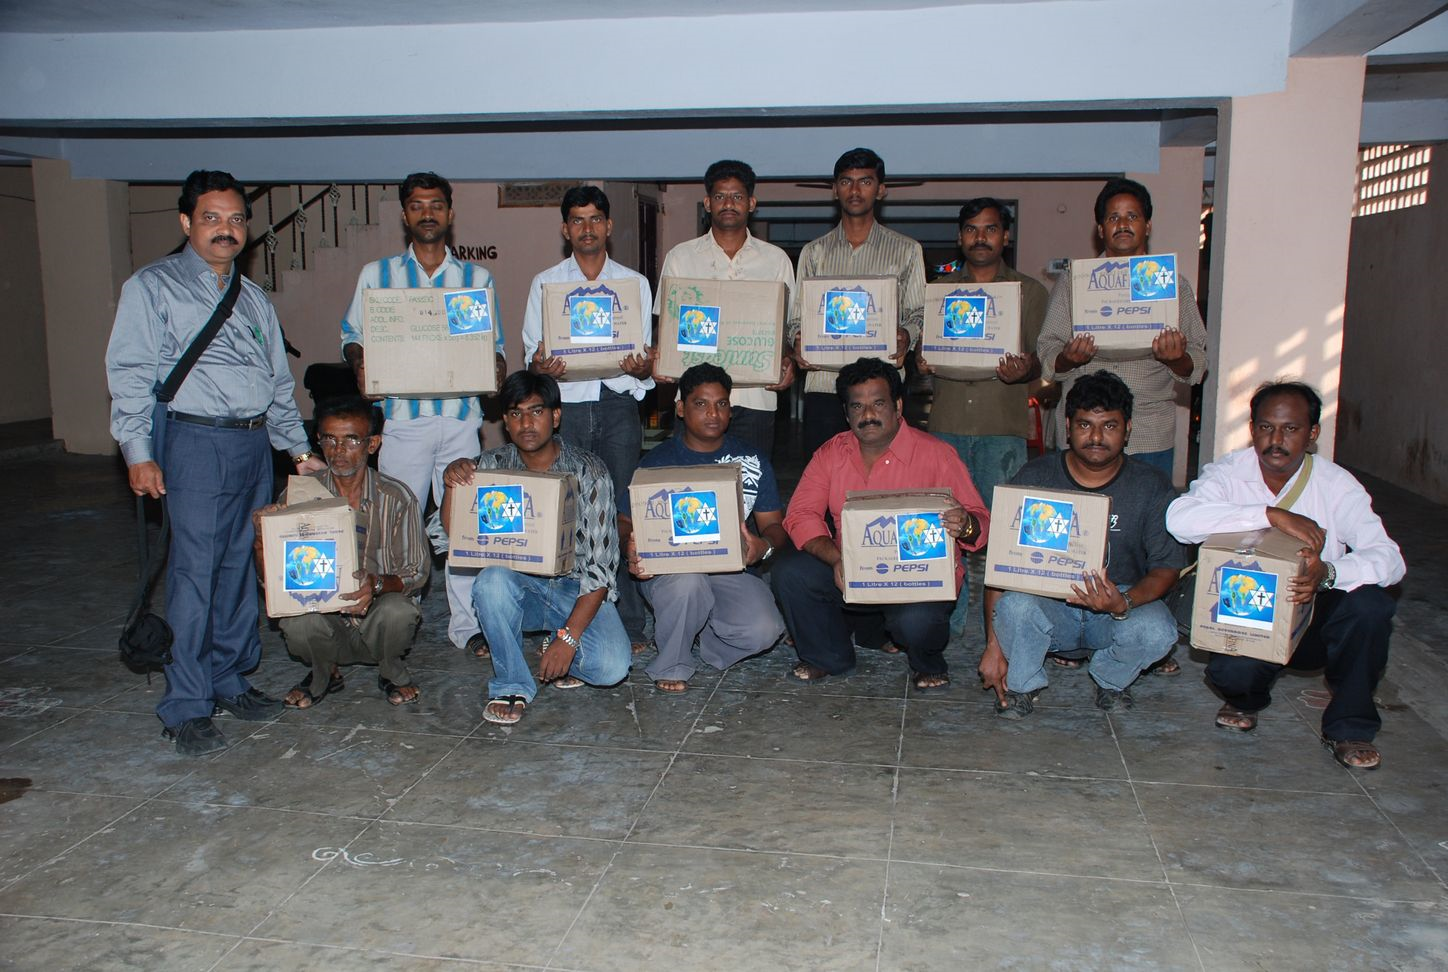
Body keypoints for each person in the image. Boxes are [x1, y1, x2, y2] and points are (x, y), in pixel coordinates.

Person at [106, 169, 326, 756]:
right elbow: (129, 376)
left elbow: (278, 386)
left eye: (235, 219)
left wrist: (297, 450)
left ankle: (228, 679)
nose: (225, 229)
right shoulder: (151, 287)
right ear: (186, 223)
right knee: (193, 579)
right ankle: (185, 704)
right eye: (211, 217)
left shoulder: (253, 299)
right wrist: (138, 452)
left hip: (253, 447)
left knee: (238, 573)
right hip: (193, 445)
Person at [1166, 381, 1405, 770]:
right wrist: (1268, 514)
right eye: (1265, 427)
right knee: (1232, 673)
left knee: (1370, 606)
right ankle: (1245, 698)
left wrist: (1328, 573)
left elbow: (1391, 560)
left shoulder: (1335, 484)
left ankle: (1349, 728)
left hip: (1314, 611)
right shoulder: (1230, 472)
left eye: (1290, 429)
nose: (1275, 440)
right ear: (1252, 428)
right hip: (1248, 609)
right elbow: (1180, 520)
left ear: (1312, 434)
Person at [339, 171, 506, 661]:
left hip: (459, 420)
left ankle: (468, 626)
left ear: (450, 214)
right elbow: (352, 332)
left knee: (464, 526)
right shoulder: (378, 276)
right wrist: (358, 361)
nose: (427, 213)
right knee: (397, 523)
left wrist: (493, 366)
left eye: (436, 205)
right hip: (404, 420)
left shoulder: (475, 280)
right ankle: (396, 621)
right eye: (417, 205)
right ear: (405, 214)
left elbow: (491, 347)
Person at [772, 357, 989, 689]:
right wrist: (837, 559)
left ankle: (927, 662)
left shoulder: (937, 455)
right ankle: (828, 656)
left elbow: (981, 521)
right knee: (791, 571)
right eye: (857, 406)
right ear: (846, 414)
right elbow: (800, 515)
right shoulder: (831, 454)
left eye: (878, 404)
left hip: (918, 579)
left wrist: (967, 524)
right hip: (851, 572)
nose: (868, 415)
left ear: (898, 406)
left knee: (915, 622)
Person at [980, 371, 1184, 718]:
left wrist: (1124, 601)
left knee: (1159, 630)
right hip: (1051, 605)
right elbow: (1000, 570)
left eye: (1109, 426)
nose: (1096, 437)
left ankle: (1111, 679)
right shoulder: (1036, 478)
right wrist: (993, 648)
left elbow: (1167, 567)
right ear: (1068, 426)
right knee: (1014, 607)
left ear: (1128, 428)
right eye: (1085, 425)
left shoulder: (1151, 485)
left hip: (1116, 609)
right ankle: (1023, 684)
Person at [441, 372, 631, 726]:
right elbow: (455, 534)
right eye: (515, 414)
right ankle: (512, 682)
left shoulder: (589, 471)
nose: (526, 423)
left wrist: (569, 638)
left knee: (612, 668)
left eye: (536, 412)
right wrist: (453, 483)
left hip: (574, 590)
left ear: (556, 416)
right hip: (518, 588)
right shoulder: (490, 468)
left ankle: (554, 641)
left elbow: (602, 568)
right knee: (492, 581)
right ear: (505, 421)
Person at [522, 185, 654, 651]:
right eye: (577, 220)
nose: (587, 228)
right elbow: (531, 354)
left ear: (609, 226)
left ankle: (631, 621)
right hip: (569, 408)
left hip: (618, 404)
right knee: (569, 512)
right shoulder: (546, 284)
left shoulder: (634, 284)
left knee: (622, 511)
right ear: (565, 229)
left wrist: (643, 367)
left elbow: (646, 356)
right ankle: (563, 613)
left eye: (595, 219)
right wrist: (541, 367)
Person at [917, 197, 1049, 637]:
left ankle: (1002, 629)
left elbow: (1042, 362)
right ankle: (945, 623)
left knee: (1001, 536)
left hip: (1002, 428)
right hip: (946, 426)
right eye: (971, 230)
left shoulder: (1029, 293)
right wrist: (922, 359)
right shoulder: (939, 290)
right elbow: (923, 352)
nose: (980, 238)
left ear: (1005, 236)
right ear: (959, 237)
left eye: (990, 229)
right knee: (944, 530)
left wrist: (1025, 369)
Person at [252, 397, 430, 709]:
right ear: (318, 441)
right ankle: (324, 671)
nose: (338, 450)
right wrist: (260, 538)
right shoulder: (298, 496)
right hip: (325, 623)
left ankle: (390, 670)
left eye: (351, 440)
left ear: (372, 444)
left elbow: (417, 572)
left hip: (376, 621)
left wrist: (375, 585)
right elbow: (272, 582)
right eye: (329, 439)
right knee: (295, 621)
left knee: (399, 611)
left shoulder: (396, 496)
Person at [619, 364, 788, 692]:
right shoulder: (656, 462)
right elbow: (625, 519)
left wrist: (762, 546)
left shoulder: (750, 460)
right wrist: (630, 544)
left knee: (765, 630)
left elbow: (776, 526)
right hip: (672, 573)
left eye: (722, 404)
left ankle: (698, 635)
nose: (713, 413)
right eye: (701, 403)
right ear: (681, 408)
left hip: (731, 572)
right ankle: (673, 661)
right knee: (688, 583)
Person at [1035, 178, 1208, 478]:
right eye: (1113, 217)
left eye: (1132, 216)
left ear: (1148, 226)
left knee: (1146, 518)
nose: (1123, 224)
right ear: (1101, 229)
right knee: (1084, 520)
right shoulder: (1074, 284)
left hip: (1147, 430)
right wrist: (1068, 358)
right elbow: (1047, 351)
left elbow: (1198, 359)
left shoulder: (1171, 286)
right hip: (1086, 431)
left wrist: (1175, 358)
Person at [786, 148, 926, 456]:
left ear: (881, 189)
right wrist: (797, 339)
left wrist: (907, 335)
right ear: (835, 190)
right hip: (824, 385)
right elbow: (796, 317)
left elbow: (919, 311)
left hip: (882, 389)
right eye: (846, 181)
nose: (855, 190)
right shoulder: (814, 252)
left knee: (884, 479)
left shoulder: (907, 250)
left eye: (865, 181)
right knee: (825, 480)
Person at [652, 159, 796, 456]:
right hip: (697, 399)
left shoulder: (776, 259)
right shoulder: (681, 257)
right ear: (707, 203)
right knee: (696, 483)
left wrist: (788, 361)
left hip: (756, 398)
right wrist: (660, 357)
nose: (728, 203)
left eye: (737, 197)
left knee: (750, 487)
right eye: (720, 196)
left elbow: (788, 327)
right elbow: (666, 325)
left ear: (751, 203)